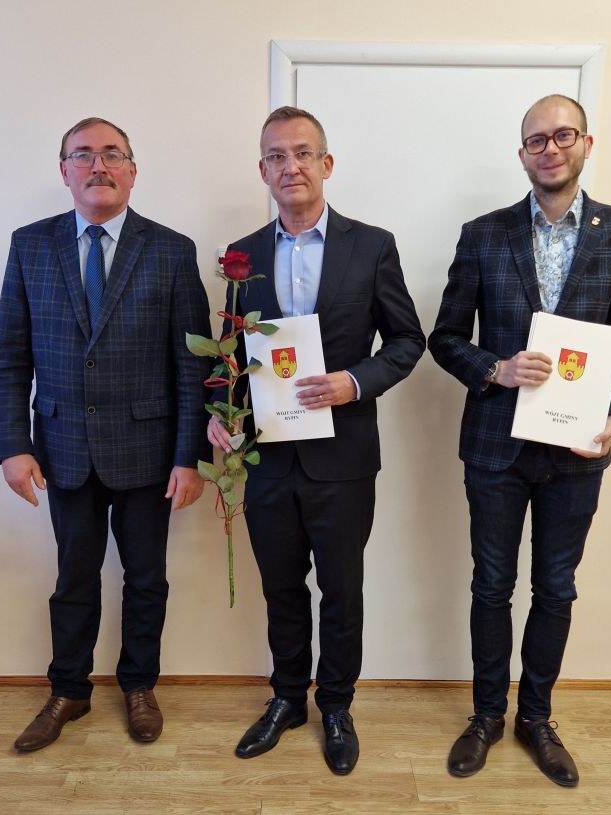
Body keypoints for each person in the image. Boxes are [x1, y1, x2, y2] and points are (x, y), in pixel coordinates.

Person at [428, 95, 611, 787]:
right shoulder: (483, 234)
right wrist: (495, 368)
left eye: (562, 136)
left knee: (556, 588)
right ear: (522, 153)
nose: (549, 149)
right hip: (495, 446)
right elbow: (445, 337)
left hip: (578, 452)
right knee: (492, 586)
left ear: (586, 143)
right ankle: (486, 717)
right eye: (536, 140)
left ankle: (537, 718)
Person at [208, 106, 424, 775]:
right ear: (263, 170)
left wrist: (352, 383)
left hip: (344, 457)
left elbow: (407, 341)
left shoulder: (372, 246)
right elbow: (231, 357)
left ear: (326, 164)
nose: (290, 166)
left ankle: (335, 705)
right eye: (276, 155)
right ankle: (286, 698)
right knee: (281, 587)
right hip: (268, 456)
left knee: (341, 589)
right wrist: (222, 413)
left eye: (302, 153)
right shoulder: (242, 255)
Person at [0, 117, 211, 751]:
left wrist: (189, 457)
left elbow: (190, 364)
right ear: (64, 171)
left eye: (112, 154)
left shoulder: (171, 250)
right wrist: (13, 446)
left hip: (148, 452)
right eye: (83, 155)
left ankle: (139, 686)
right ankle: (69, 690)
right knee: (73, 581)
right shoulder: (30, 245)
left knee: (146, 580)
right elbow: (10, 355)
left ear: (133, 171)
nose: (98, 165)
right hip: (62, 450)